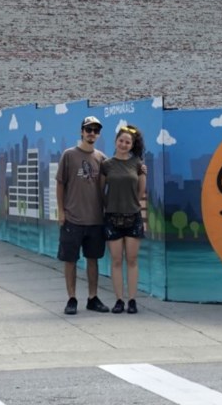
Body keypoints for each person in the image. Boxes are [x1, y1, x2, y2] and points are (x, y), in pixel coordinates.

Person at [56, 116, 111, 315]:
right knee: (70, 260)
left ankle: (92, 297)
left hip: (95, 219)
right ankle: (71, 298)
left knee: (93, 259)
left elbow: (120, 174)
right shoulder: (69, 155)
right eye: (88, 129)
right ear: (81, 131)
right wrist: (61, 212)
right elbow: (60, 184)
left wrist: (141, 170)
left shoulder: (102, 158)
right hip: (72, 218)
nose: (92, 133)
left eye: (96, 130)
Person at [100, 124, 148, 314]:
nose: (124, 144)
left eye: (128, 142)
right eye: (121, 140)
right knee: (116, 260)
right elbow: (100, 190)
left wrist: (131, 205)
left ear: (132, 144)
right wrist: (110, 206)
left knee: (132, 259)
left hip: (133, 217)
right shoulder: (107, 165)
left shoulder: (138, 164)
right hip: (112, 217)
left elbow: (141, 191)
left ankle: (133, 300)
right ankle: (119, 299)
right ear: (116, 141)